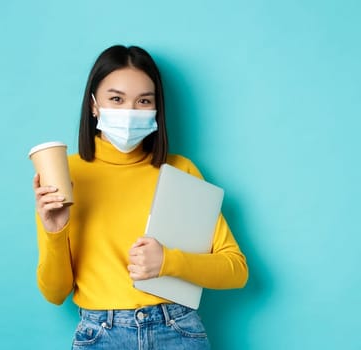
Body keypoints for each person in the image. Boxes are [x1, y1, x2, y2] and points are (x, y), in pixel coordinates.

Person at [32, 45, 248, 349]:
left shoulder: (180, 170)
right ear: (94, 104)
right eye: (116, 99)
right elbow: (55, 293)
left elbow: (235, 270)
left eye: (143, 101)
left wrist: (168, 262)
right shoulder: (65, 173)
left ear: (157, 108)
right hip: (100, 334)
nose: (129, 112)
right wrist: (56, 232)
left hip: (177, 329)